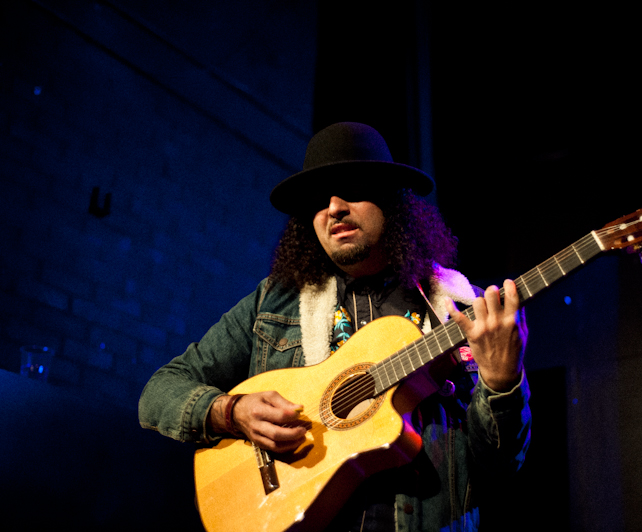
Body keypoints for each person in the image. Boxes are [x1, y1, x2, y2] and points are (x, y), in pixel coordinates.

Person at [138, 122, 531, 531]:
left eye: (352, 189)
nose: (334, 208)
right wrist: (231, 411)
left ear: (392, 200)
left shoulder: (465, 310)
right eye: (318, 199)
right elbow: (159, 391)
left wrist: (502, 382)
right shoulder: (273, 303)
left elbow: (500, 465)